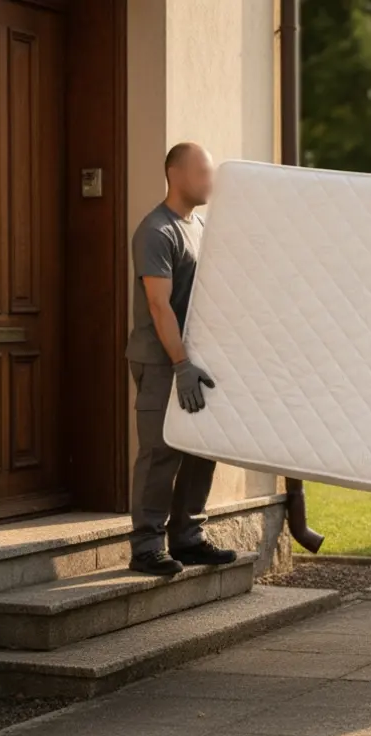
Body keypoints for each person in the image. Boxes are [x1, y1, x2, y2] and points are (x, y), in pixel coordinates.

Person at [125, 142, 237, 576]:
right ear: (176, 174)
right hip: (161, 360)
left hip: (196, 360)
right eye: (203, 172)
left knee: (200, 448)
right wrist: (180, 364)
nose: (210, 181)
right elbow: (159, 305)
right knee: (160, 451)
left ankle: (187, 538)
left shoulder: (200, 226)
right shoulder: (157, 231)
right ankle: (147, 546)